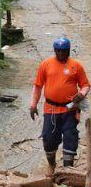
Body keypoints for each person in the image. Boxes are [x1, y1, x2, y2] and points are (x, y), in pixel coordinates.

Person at [30, 37, 89, 175]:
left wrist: (82, 93)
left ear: (68, 51)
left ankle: (68, 170)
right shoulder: (46, 64)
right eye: (58, 51)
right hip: (51, 109)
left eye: (64, 51)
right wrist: (33, 105)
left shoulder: (76, 66)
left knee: (70, 137)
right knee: (49, 139)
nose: (61, 54)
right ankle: (51, 164)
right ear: (55, 50)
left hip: (70, 109)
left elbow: (85, 85)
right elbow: (38, 86)